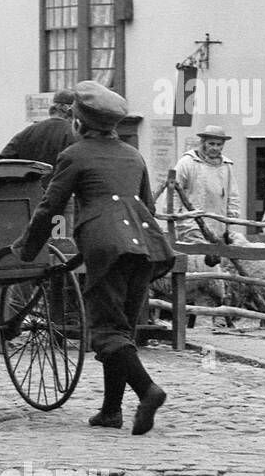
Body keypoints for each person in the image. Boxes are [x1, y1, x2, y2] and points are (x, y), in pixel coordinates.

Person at [11, 81, 175, 436]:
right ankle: (111, 411)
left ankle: (148, 391)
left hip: (106, 246)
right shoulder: (134, 154)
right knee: (123, 330)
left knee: (105, 331)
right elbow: (147, 206)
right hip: (145, 247)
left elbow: (50, 206)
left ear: (78, 123)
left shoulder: (75, 155)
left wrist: (27, 249)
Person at [174, 126, 239, 242]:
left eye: (219, 145)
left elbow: (232, 194)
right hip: (192, 225)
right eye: (211, 144)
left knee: (217, 257)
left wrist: (231, 219)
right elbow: (174, 191)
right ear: (203, 143)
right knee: (197, 257)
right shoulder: (188, 163)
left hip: (218, 224)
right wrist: (176, 216)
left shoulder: (226, 166)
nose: (215, 148)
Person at [0, 89, 77, 166]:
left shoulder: (27, 132)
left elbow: (3, 162)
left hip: (32, 178)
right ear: (71, 110)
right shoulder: (74, 134)